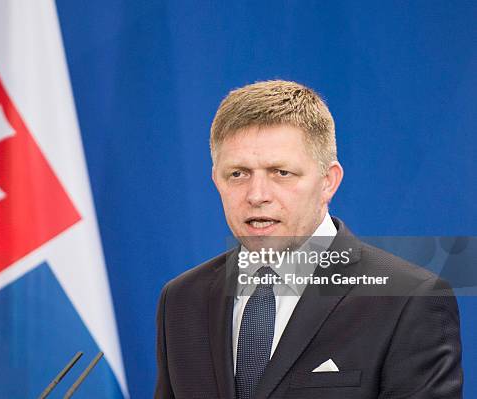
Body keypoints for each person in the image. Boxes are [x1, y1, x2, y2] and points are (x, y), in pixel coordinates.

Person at [155, 80, 462, 398]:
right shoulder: (181, 300)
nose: (257, 195)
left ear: (329, 182)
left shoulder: (408, 298)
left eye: (280, 172)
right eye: (238, 174)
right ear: (216, 179)